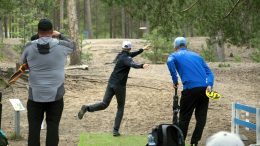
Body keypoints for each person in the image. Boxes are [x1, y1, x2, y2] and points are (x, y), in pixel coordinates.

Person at [20, 18, 75, 146]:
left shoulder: (29, 46)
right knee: (53, 128)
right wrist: (60, 35)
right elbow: (73, 45)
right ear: (52, 31)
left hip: (35, 96)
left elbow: (23, 63)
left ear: (38, 31)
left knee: (33, 130)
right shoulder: (62, 45)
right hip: (56, 95)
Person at [78, 41, 150, 136]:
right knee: (120, 107)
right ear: (129, 48)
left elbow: (132, 55)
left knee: (104, 104)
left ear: (123, 48)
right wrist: (142, 66)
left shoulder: (121, 55)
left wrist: (142, 50)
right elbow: (133, 64)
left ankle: (87, 108)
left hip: (111, 83)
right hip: (119, 85)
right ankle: (115, 130)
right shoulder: (127, 58)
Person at [167, 37, 214, 146]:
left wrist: (175, 80)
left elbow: (169, 62)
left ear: (175, 46)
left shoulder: (174, 55)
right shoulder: (197, 56)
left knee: (184, 118)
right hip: (205, 89)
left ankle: (180, 142)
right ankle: (194, 142)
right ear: (185, 45)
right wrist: (210, 85)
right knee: (201, 118)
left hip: (190, 90)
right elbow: (210, 73)